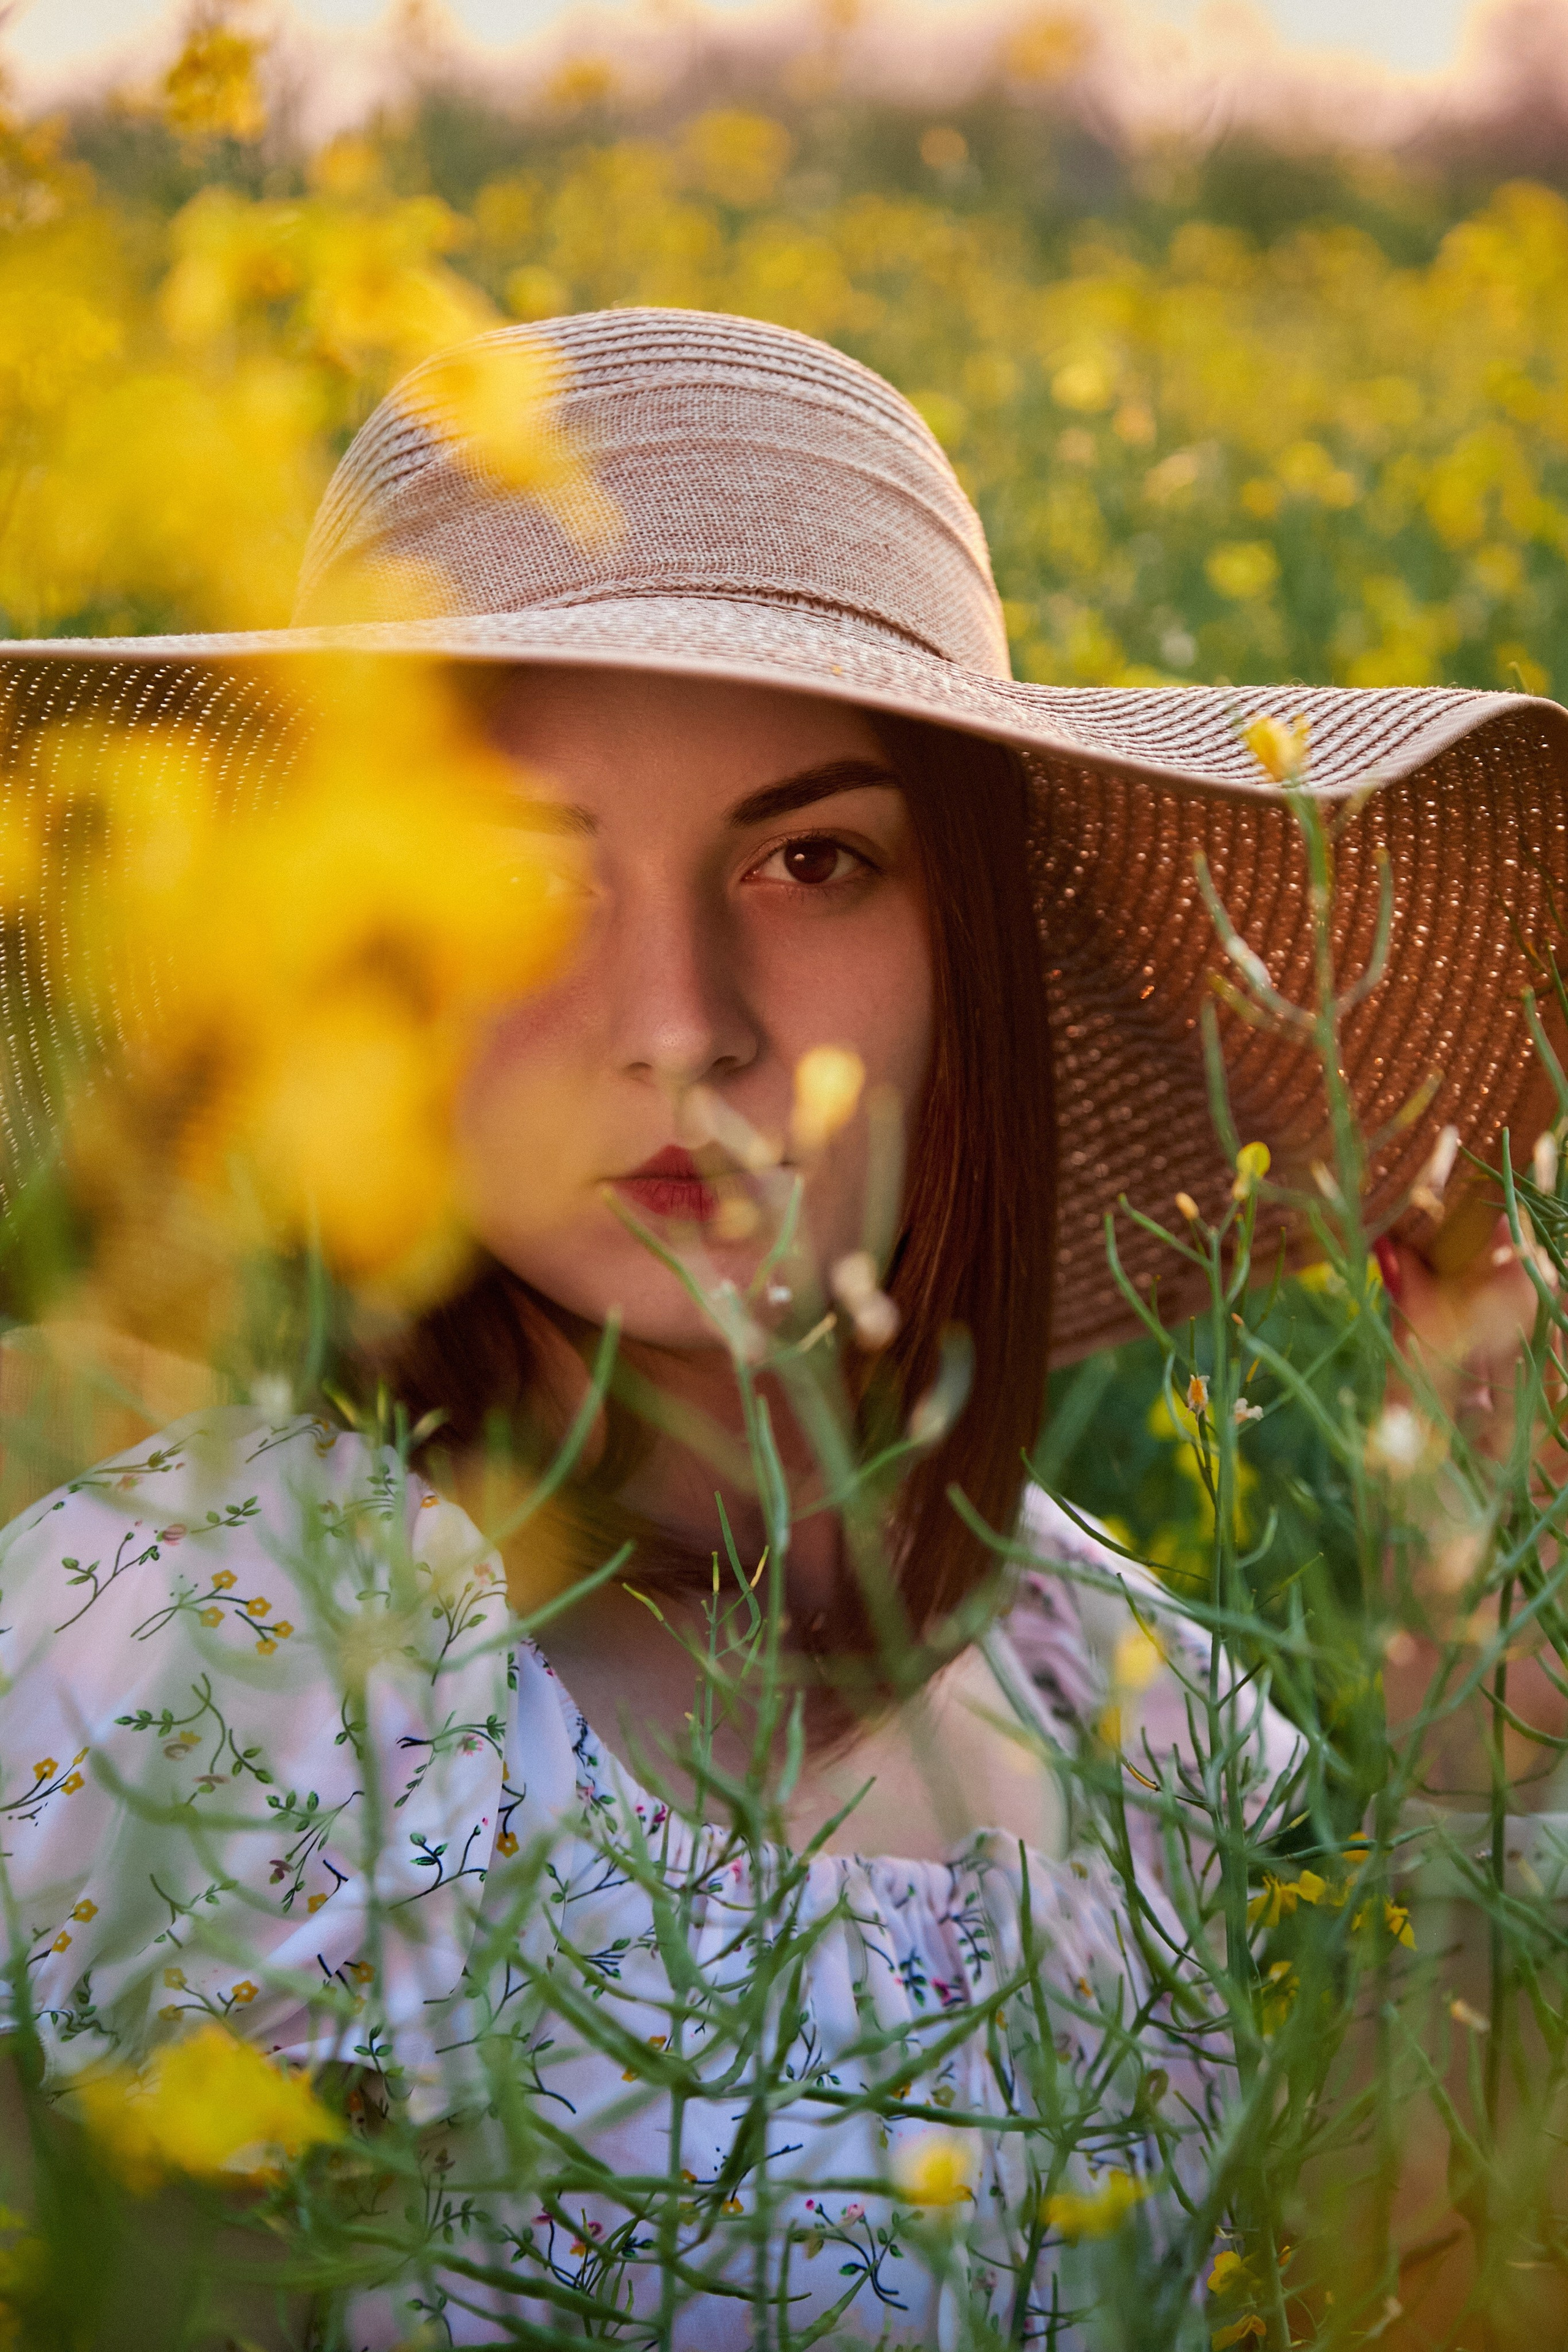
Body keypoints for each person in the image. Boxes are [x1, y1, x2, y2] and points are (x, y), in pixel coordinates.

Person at [0, 307, 1564, 2347]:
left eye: (815, 860)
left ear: (969, 947)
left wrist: (1489, 1673)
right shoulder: (191, 1645)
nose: (683, 1022)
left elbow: (1389, 2299)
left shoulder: (1145, 1702)